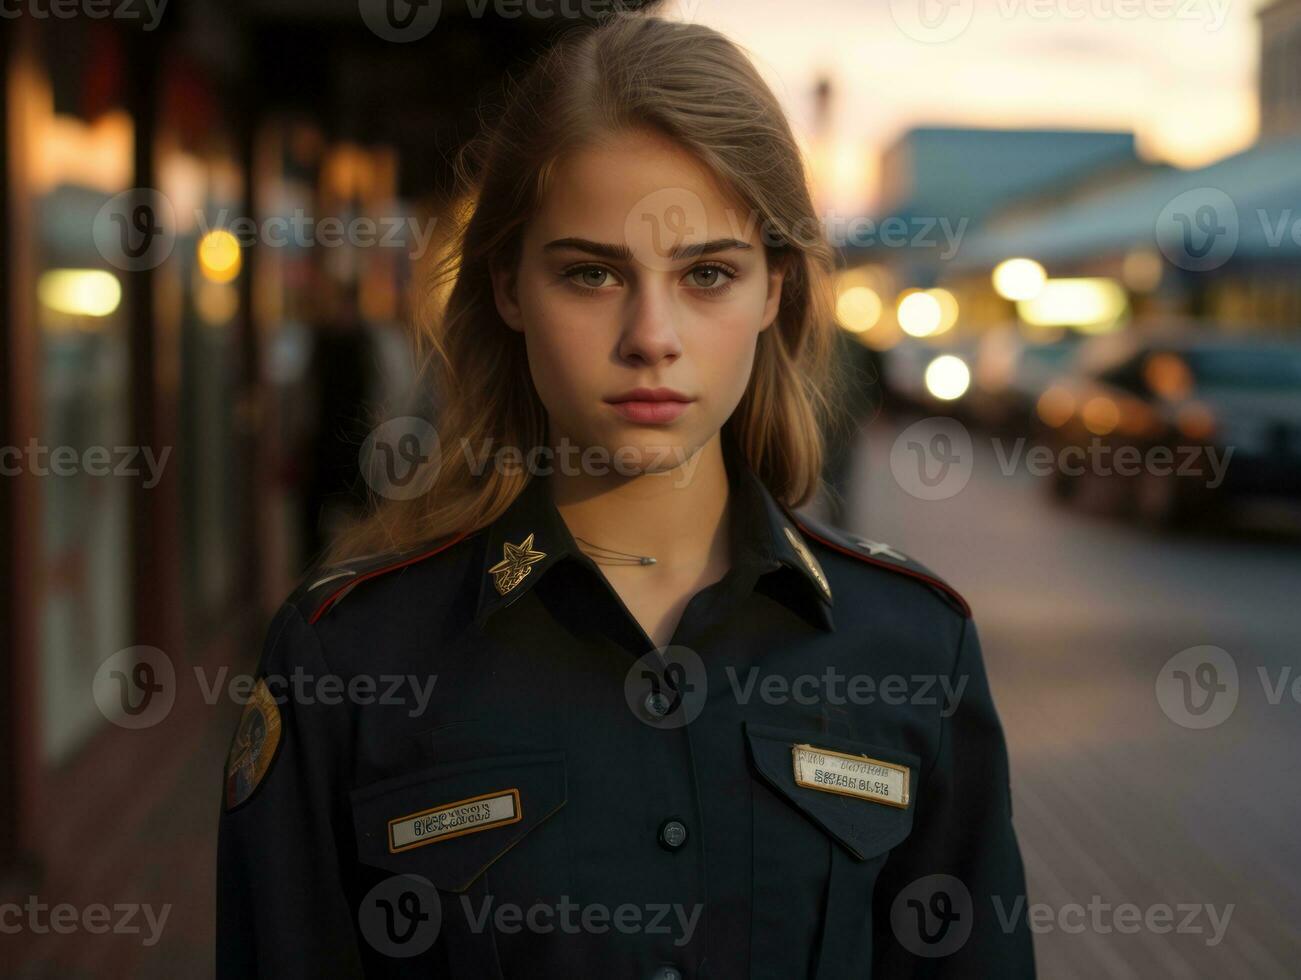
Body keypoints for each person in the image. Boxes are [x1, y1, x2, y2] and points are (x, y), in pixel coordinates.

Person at [216, 12, 1034, 979]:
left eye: (707, 275)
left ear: (774, 290)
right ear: (509, 286)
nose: (651, 335)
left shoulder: (911, 648)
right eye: (592, 273)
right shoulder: (347, 658)